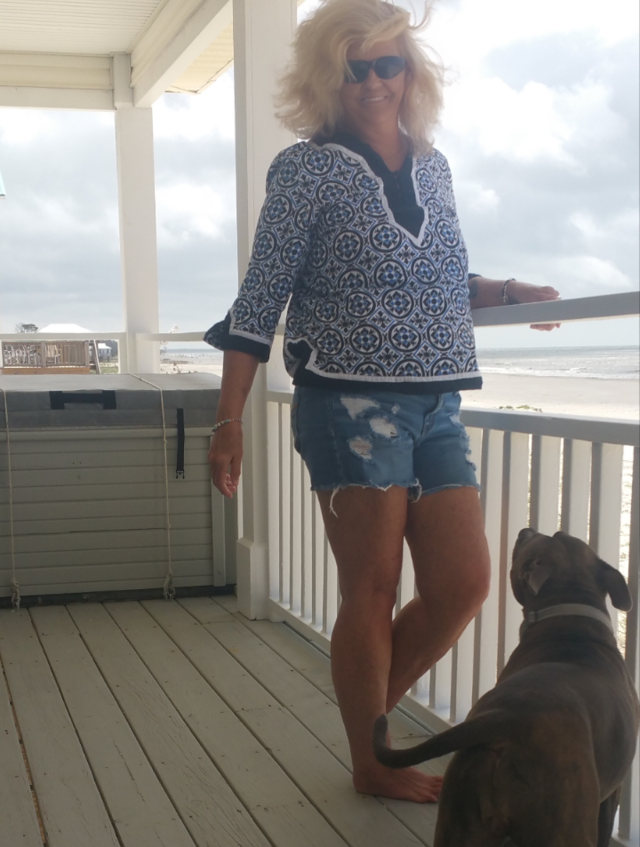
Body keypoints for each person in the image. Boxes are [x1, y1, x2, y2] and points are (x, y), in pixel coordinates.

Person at [206, 0, 560, 803]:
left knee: (465, 580)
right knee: (370, 587)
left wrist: (509, 290)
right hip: (347, 404)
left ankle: (363, 720)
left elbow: (443, 279)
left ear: (411, 70)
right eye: (353, 67)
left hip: (436, 401)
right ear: (326, 77)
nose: (372, 81)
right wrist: (230, 420)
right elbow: (258, 301)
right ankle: (373, 760)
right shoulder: (305, 169)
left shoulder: (434, 167)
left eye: (386, 63)